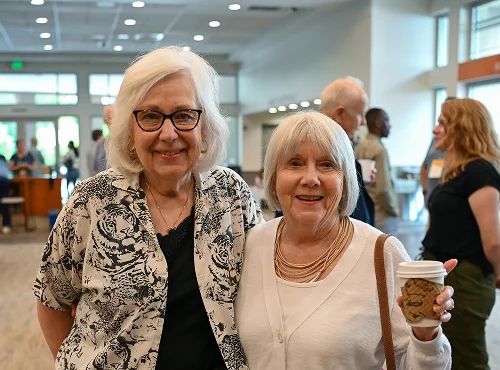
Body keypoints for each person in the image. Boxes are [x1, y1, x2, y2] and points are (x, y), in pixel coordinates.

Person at [33, 46, 263, 370]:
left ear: (205, 126)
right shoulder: (91, 201)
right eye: (151, 116)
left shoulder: (232, 195)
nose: (168, 134)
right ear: (130, 130)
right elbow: (52, 300)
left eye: (184, 115)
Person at [235, 111, 455, 370]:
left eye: (327, 165)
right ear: (272, 179)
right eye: (294, 163)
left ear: (346, 181)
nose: (310, 178)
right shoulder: (248, 246)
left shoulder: (380, 253)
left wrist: (426, 333)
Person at [422, 98, 500, 370]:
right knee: (447, 353)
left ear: (462, 127)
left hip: (467, 281)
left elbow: (493, 239)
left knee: (467, 357)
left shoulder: (480, 171)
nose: (435, 130)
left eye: (442, 123)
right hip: (448, 275)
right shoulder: (458, 170)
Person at [319, 77, 375, 225]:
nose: (363, 122)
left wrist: (359, 182)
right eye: (360, 114)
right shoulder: (321, 154)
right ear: (339, 114)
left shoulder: (339, 152)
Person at [355, 108, 399, 234]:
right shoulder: (379, 150)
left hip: (367, 209)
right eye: (386, 121)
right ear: (378, 123)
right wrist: (394, 209)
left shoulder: (360, 146)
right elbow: (383, 189)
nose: (389, 125)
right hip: (382, 214)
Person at [420, 97, 455, 208]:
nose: (435, 130)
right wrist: (425, 192)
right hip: (433, 196)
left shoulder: (476, 169)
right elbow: (424, 166)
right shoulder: (436, 140)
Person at [0, 154, 12, 234]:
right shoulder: (3, 159)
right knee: (4, 203)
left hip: (3, 182)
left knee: (4, 202)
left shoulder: (2, 158)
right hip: (4, 182)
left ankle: (6, 224)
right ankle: (6, 225)